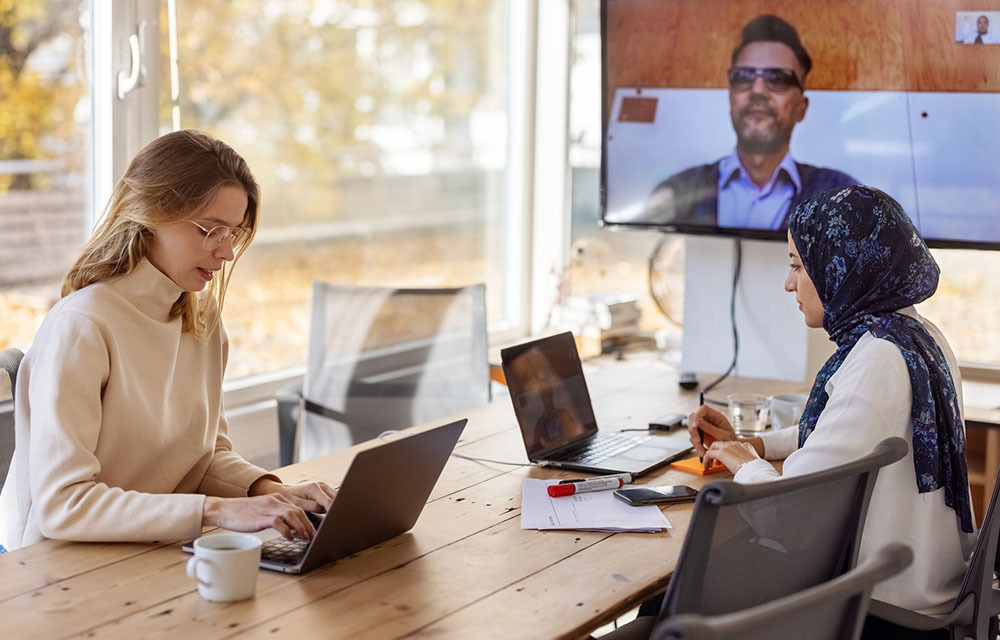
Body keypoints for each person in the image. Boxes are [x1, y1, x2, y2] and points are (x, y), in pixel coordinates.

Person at [0, 130, 335, 551]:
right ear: (151, 215)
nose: (227, 252)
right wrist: (215, 511)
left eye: (233, 232)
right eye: (210, 230)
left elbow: (205, 457)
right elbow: (62, 505)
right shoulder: (81, 326)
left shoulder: (203, 324)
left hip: (148, 550)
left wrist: (269, 490)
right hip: (49, 568)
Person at [689, 185, 975, 639]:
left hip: (883, 611)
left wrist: (746, 466)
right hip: (934, 589)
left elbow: (791, 519)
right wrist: (759, 443)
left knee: (681, 592)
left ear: (843, 267)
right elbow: (848, 422)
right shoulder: (919, 335)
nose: (788, 283)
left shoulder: (877, 359)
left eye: (798, 266)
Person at [641, 15, 857, 230]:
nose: (758, 90)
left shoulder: (841, 198)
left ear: (802, 107)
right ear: (730, 99)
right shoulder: (679, 194)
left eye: (778, 78)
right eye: (744, 76)